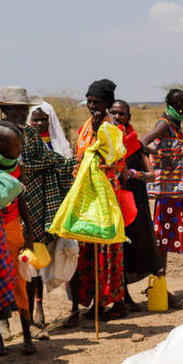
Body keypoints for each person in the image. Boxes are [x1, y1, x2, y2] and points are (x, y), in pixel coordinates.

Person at [0, 88, 77, 330]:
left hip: (32, 205)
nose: (21, 113)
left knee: (30, 261)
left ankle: (31, 313)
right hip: (1, 211)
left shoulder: (30, 134)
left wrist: (78, 163)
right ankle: (3, 321)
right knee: (1, 265)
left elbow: (53, 162)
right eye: (15, 108)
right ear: (4, 110)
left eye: (24, 109)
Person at [65, 79, 128, 326]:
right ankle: (92, 302)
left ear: (108, 104)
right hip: (86, 195)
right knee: (86, 249)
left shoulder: (114, 129)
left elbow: (116, 162)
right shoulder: (84, 128)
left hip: (106, 194)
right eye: (89, 102)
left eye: (97, 102)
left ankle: (112, 302)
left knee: (107, 247)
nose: (92, 106)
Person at [0, 122, 37, 360]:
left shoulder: (16, 166)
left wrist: (30, 235)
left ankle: (26, 334)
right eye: (16, 144)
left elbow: (21, 200)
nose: (20, 148)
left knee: (21, 280)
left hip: (12, 228)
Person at [142, 89, 183, 298]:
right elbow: (141, 143)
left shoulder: (174, 124)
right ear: (179, 105)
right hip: (169, 193)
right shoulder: (164, 123)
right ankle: (161, 285)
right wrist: (159, 155)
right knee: (163, 240)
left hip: (182, 191)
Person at [109, 100, 165, 310]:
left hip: (135, 202)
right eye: (113, 113)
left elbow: (151, 175)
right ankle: (123, 297)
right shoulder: (105, 140)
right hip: (112, 203)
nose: (117, 117)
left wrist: (131, 174)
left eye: (121, 113)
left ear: (129, 117)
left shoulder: (134, 143)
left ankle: (157, 292)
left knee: (140, 245)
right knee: (118, 249)